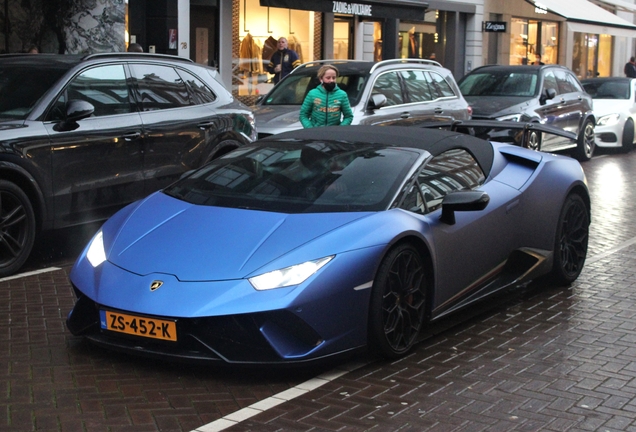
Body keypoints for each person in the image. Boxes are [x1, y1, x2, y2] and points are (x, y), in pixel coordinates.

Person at [299, 64, 353, 129]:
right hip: (315, 133)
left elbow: (348, 116)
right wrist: (310, 129)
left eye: (334, 78)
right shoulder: (312, 94)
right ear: (321, 79)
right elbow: (303, 115)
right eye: (328, 78)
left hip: (334, 134)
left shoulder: (342, 94)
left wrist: (340, 129)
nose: (331, 80)